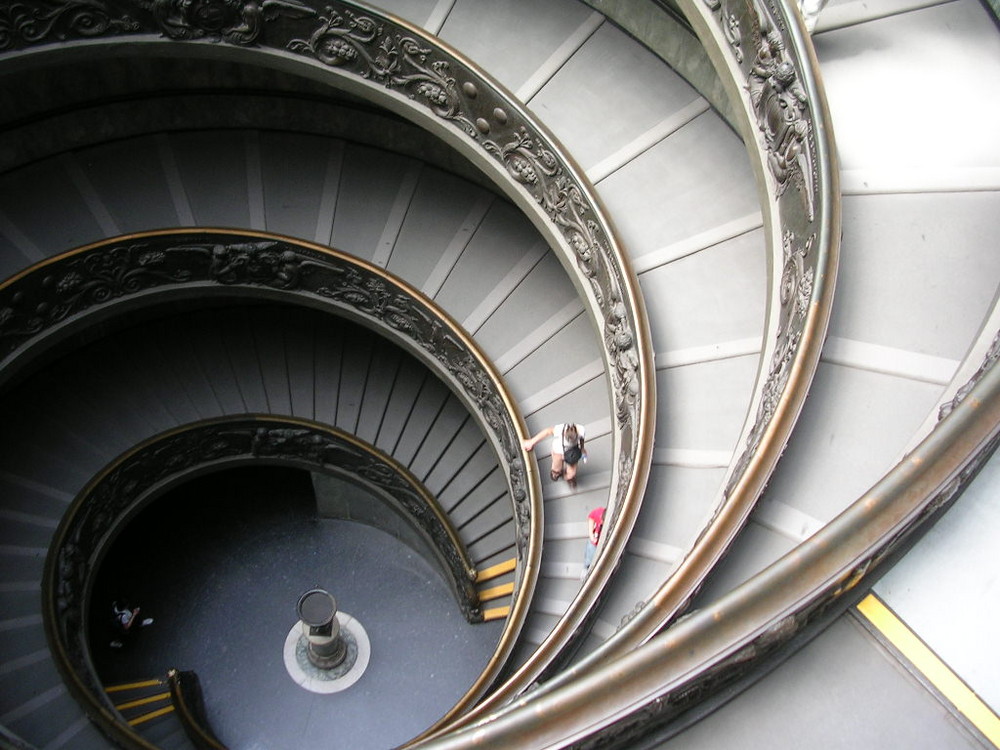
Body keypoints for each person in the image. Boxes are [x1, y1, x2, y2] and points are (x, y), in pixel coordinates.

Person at [521, 422, 587, 489]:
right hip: (558, 452)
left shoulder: (581, 430)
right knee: (556, 469)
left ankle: (567, 477)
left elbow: (582, 438)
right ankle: (557, 472)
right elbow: (547, 432)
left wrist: (582, 448)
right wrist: (531, 442)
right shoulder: (560, 429)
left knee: (571, 474)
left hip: (571, 453)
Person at [582, 506, 605, 579]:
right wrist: (591, 536)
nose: (601, 522)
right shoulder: (598, 513)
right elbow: (591, 517)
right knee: (589, 557)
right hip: (594, 543)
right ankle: (586, 570)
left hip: (601, 544)